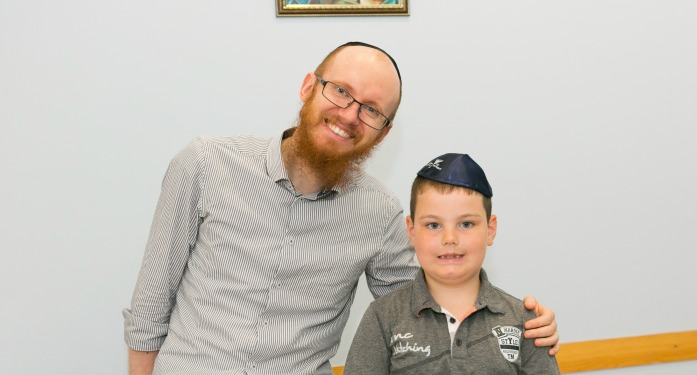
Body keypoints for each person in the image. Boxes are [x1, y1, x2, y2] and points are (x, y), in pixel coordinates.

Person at [123, 42, 559, 375]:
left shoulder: (381, 215)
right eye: (341, 92)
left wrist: (523, 322)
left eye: (372, 110)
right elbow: (149, 307)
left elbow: (431, 300)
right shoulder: (204, 164)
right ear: (308, 87)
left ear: (383, 134)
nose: (350, 115)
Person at [344, 153, 560, 374]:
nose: (449, 238)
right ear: (411, 231)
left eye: (466, 224)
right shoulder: (383, 316)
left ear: (490, 229)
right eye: (433, 225)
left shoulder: (527, 322)